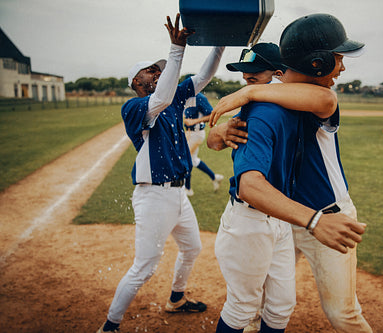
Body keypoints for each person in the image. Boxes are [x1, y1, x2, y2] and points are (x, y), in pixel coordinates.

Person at [208, 14, 368, 333]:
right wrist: (221, 132)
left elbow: (324, 98)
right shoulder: (271, 103)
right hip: (283, 212)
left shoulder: (305, 100)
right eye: (338, 58)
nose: (343, 67)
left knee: (340, 313)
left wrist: (251, 94)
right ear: (319, 63)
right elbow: (219, 138)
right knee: (262, 301)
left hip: (327, 215)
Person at [96, 14, 225, 333]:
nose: (157, 72)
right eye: (150, 70)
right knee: (144, 267)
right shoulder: (135, 107)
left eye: (158, 69)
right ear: (136, 82)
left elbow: (204, 77)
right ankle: (109, 326)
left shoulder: (171, 100)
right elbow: (162, 96)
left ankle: (176, 300)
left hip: (178, 193)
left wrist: (222, 41)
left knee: (192, 247)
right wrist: (175, 50)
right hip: (154, 195)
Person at [183, 92, 224, 196]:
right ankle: (215, 177)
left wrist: (194, 121)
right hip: (189, 132)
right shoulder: (186, 96)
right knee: (193, 160)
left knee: (186, 159)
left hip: (196, 132)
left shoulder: (199, 97)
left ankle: (187, 189)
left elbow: (211, 115)